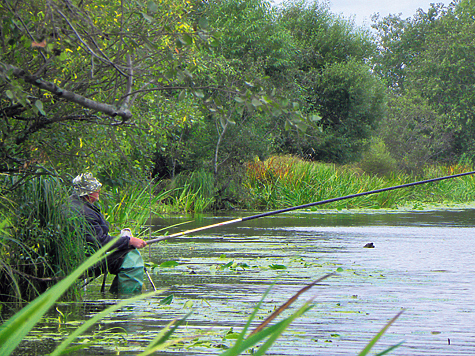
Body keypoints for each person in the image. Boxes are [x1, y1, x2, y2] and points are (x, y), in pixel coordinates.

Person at [71, 172, 147, 294]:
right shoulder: (86, 213)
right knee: (130, 258)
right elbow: (100, 241)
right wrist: (129, 241)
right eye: (96, 189)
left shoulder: (71, 204)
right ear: (88, 192)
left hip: (77, 257)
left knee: (125, 251)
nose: (99, 191)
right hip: (84, 262)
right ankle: (124, 301)